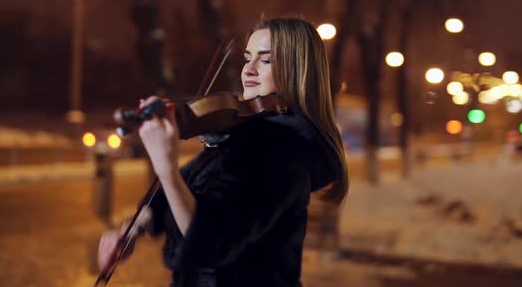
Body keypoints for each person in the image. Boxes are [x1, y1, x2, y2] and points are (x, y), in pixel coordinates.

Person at [97, 18, 348, 287]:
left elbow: (210, 243)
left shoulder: (284, 151)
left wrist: (165, 167)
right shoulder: (247, 137)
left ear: (300, 71)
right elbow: (183, 189)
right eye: (247, 58)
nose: (248, 70)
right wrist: (134, 227)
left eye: (265, 61)